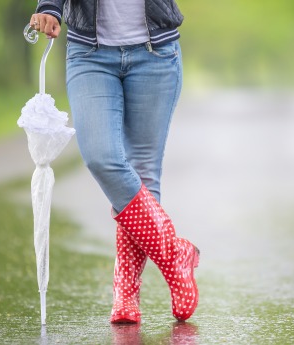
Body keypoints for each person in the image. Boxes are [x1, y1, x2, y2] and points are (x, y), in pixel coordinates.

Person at [29, 0, 199, 323]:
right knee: (100, 156)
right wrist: (50, 5)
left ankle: (126, 292)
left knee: (144, 172)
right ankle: (175, 255)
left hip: (156, 52)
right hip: (90, 53)